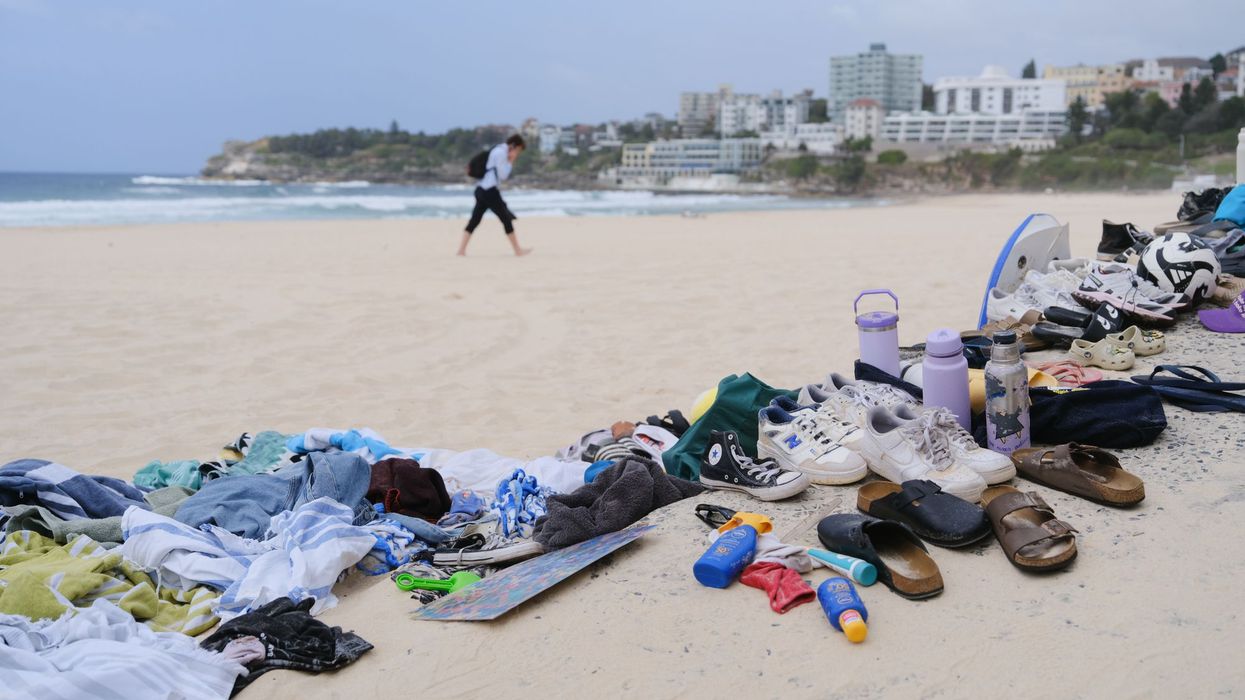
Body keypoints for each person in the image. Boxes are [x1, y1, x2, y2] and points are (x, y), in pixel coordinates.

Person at [458, 134, 531, 257]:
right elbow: (503, 175)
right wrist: (511, 160)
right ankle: (518, 251)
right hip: (489, 191)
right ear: (514, 146)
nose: (518, 153)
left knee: (475, 220)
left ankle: (461, 250)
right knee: (506, 219)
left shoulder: (496, 149)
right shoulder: (501, 154)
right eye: (518, 150)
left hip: (481, 189)